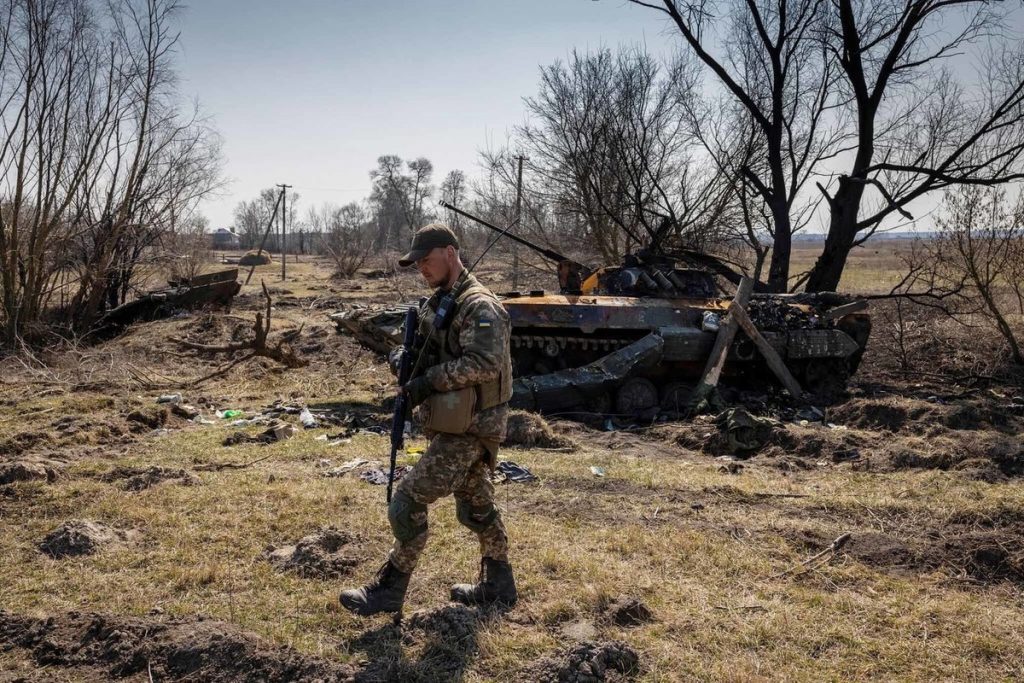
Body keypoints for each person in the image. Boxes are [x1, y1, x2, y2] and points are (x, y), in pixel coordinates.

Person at [340, 223, 516, 616]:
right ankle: (498, 584)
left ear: (450, 253)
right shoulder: (441, 302)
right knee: (476, 505)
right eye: (416, 262)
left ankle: (389, 590)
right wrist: (402, 360)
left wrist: (429, 381)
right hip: (457, 424)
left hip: (472, 427)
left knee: (407, 502)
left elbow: (486, 363)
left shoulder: (479, 305)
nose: (421, 267)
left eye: (425, 259)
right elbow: (427, 350)